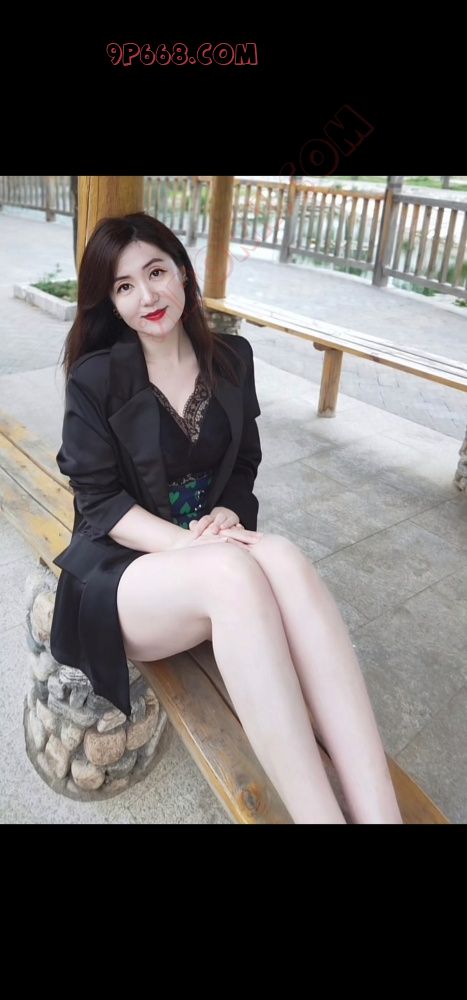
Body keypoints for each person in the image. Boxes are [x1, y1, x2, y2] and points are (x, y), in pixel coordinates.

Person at [50, 211, 403, 825]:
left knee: (284, 556)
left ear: (183, 274)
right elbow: (100, 503)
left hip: (208, 546)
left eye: (156, 272)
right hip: (121, 572)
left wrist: (225, 513)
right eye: (125, 286)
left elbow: (243, 466)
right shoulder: (97, 377)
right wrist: (192, 545)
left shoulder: (232, 359)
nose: (147, 296)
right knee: (234, 575)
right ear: (111, 302)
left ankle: (381, 814)